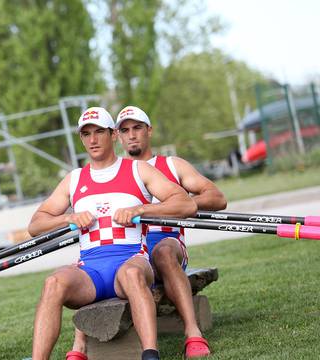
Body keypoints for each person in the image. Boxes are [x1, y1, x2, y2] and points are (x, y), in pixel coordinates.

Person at [28, 107, 197, 360]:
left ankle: (150, 355)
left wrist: (142, 208)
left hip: (131, 260)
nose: (93, 140)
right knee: (53, 283)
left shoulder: (138, 170)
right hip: (91, 272)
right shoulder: (73, 179)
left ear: (114, 135)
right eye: (86, 134)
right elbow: (35, 225)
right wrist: (68, 218)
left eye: (99, 132)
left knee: (131, 274)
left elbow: (186, 205)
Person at [68, 106, 227, 359]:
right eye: (125, 130)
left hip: (165, 243)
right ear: (116, 136)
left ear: (149, 131)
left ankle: (193, 333)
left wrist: (159, 208)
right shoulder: (111, 173)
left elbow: (217, 198)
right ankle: (79, 348)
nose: (131, 135)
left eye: (137, 128)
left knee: (162, 252)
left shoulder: (171, 165)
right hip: (126, 251)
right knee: (84, 264)